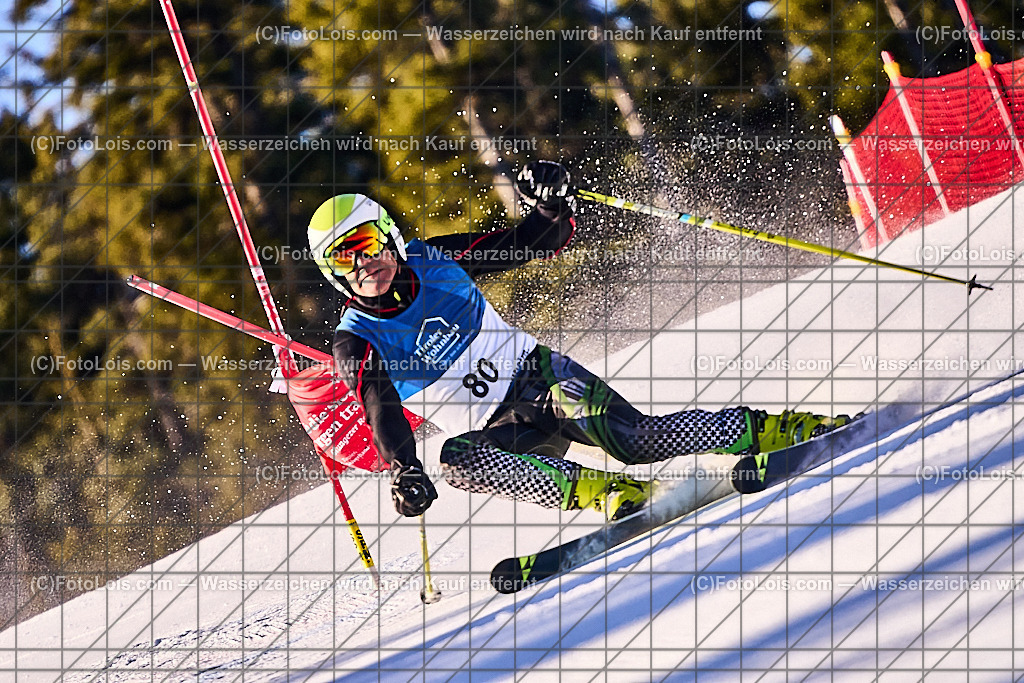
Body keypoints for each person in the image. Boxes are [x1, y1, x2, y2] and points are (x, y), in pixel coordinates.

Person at [307, 161, 850, 521]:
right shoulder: (355, 342)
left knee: (634, 440)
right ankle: (609, 494)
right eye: (343, 257)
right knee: (455, 459)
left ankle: (776, 428)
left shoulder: (435, 258)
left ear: (388, 238)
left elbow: (531, 242)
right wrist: (405, 470)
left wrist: (548, 204)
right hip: (505, 438)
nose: (362, 263)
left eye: (366, 243)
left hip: (541, 380)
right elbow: (382, 408)